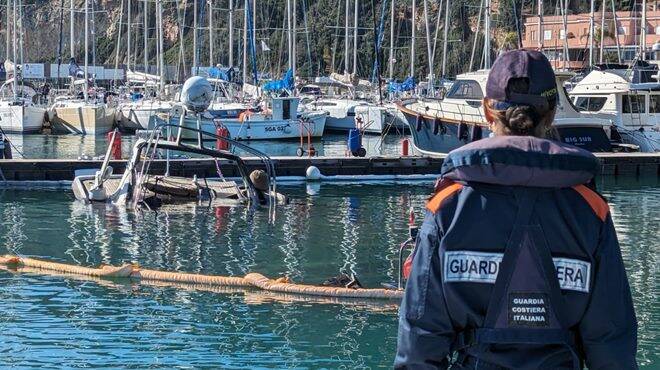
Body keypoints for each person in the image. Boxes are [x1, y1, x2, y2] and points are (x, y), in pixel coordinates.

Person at [394, 50, 638, 369]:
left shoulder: (447, 206)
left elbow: (419, 342)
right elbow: (611, 346)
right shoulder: (590, 210)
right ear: (551, 113)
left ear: (486, 111)